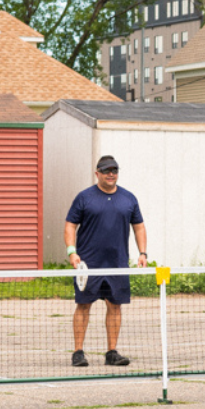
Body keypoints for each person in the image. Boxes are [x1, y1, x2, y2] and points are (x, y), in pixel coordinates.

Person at [65, 155, 147, 367]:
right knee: (83, 305)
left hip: (117, 263)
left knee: (115, 306)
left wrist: (143, 253)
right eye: (106, 170)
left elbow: (138, 226)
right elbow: (70, 225)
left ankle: (111, 352)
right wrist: (72, 252)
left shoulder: (129, 198)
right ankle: (78, 353)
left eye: (114, 170)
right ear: (97, 173)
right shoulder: (84, 197)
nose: (111, 174)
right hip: (89, 264)